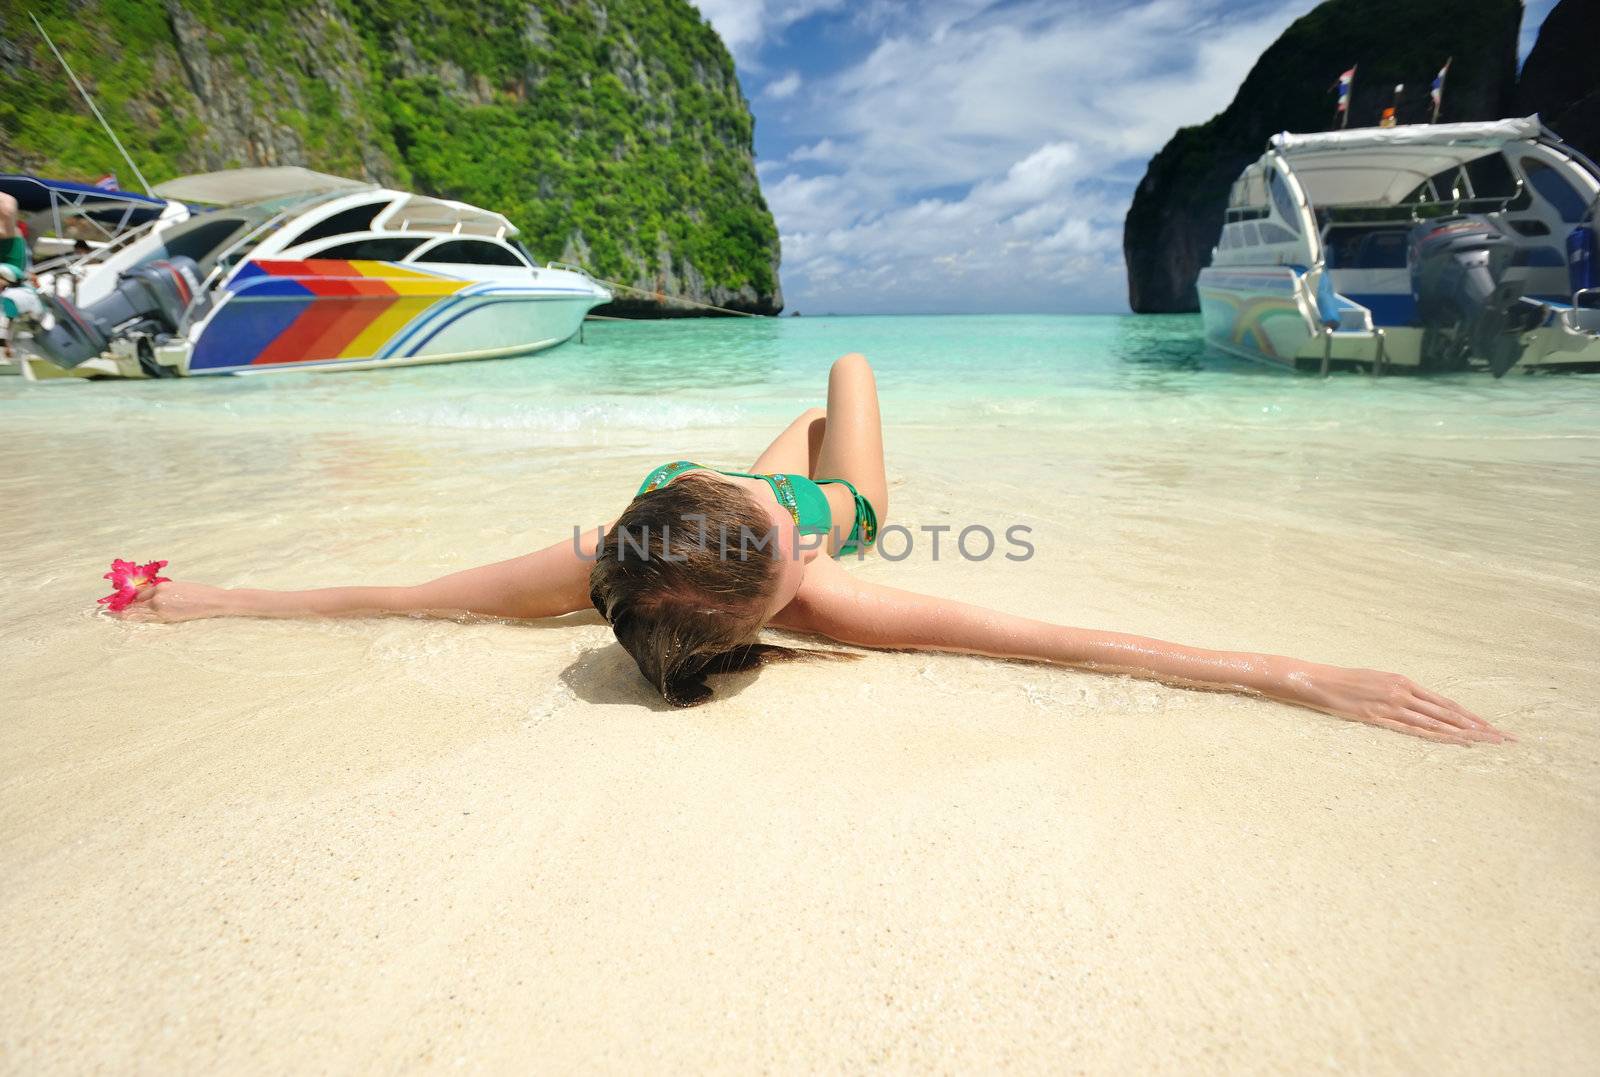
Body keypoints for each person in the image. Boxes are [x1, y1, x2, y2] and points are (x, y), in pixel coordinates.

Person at [118, 354, 1510, 746]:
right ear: (785, 597)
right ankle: (821, 441)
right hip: (851, 498)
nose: (778, 528)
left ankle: (780, 438)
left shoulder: (616, 547)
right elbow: (1075, 643)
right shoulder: (834, 582)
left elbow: (396, 596)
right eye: (780, 545)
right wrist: (1304, 675)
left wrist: (200, 596)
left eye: (757, 513)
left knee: (782, 420)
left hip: (726, 494)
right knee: (843, 374)